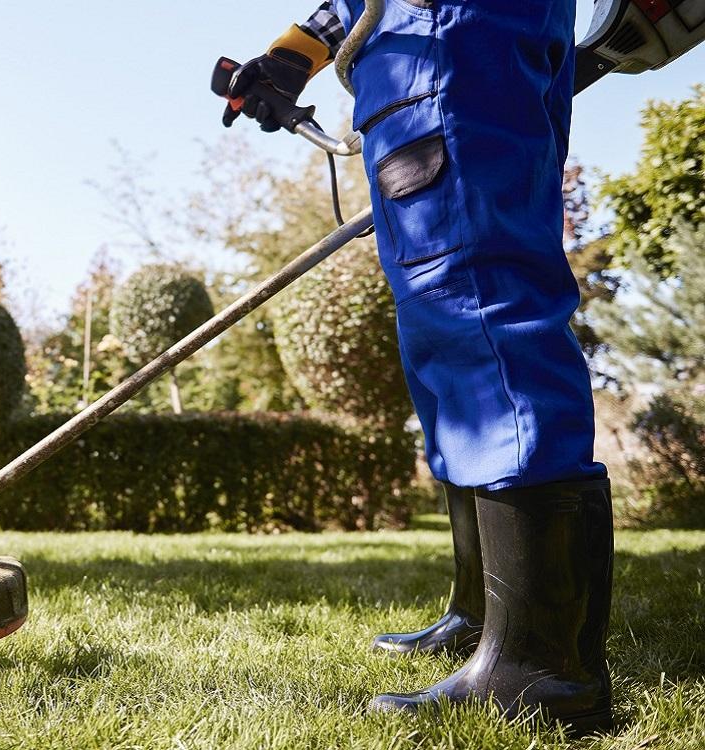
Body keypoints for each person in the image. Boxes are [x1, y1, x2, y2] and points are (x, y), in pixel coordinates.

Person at [223, 0, 615, 733]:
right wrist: (291, 55)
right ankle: (485, 616)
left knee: (476, 301)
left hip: (448, 31)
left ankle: (540, 666)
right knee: (443, 338)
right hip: (420, 40)